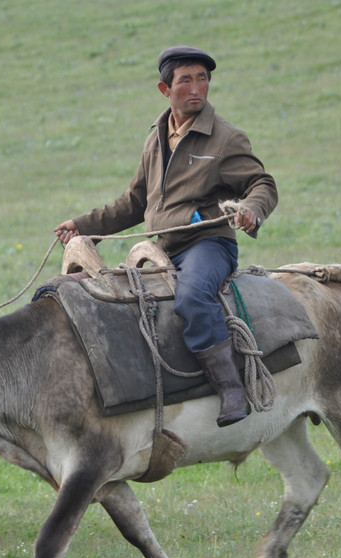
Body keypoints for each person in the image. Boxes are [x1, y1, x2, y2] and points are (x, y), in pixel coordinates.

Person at [55, 46, 277, 427]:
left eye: (203, 78)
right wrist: (84, 226)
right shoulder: (155, 138)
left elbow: (262, 183)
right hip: (160, 248)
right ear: (164, 88)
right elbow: (134, 201)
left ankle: (231, 389)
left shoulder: (224, 139)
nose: (197, 88)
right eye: (186, 80)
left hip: (208, 245)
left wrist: (251, 210)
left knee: (192, 297)